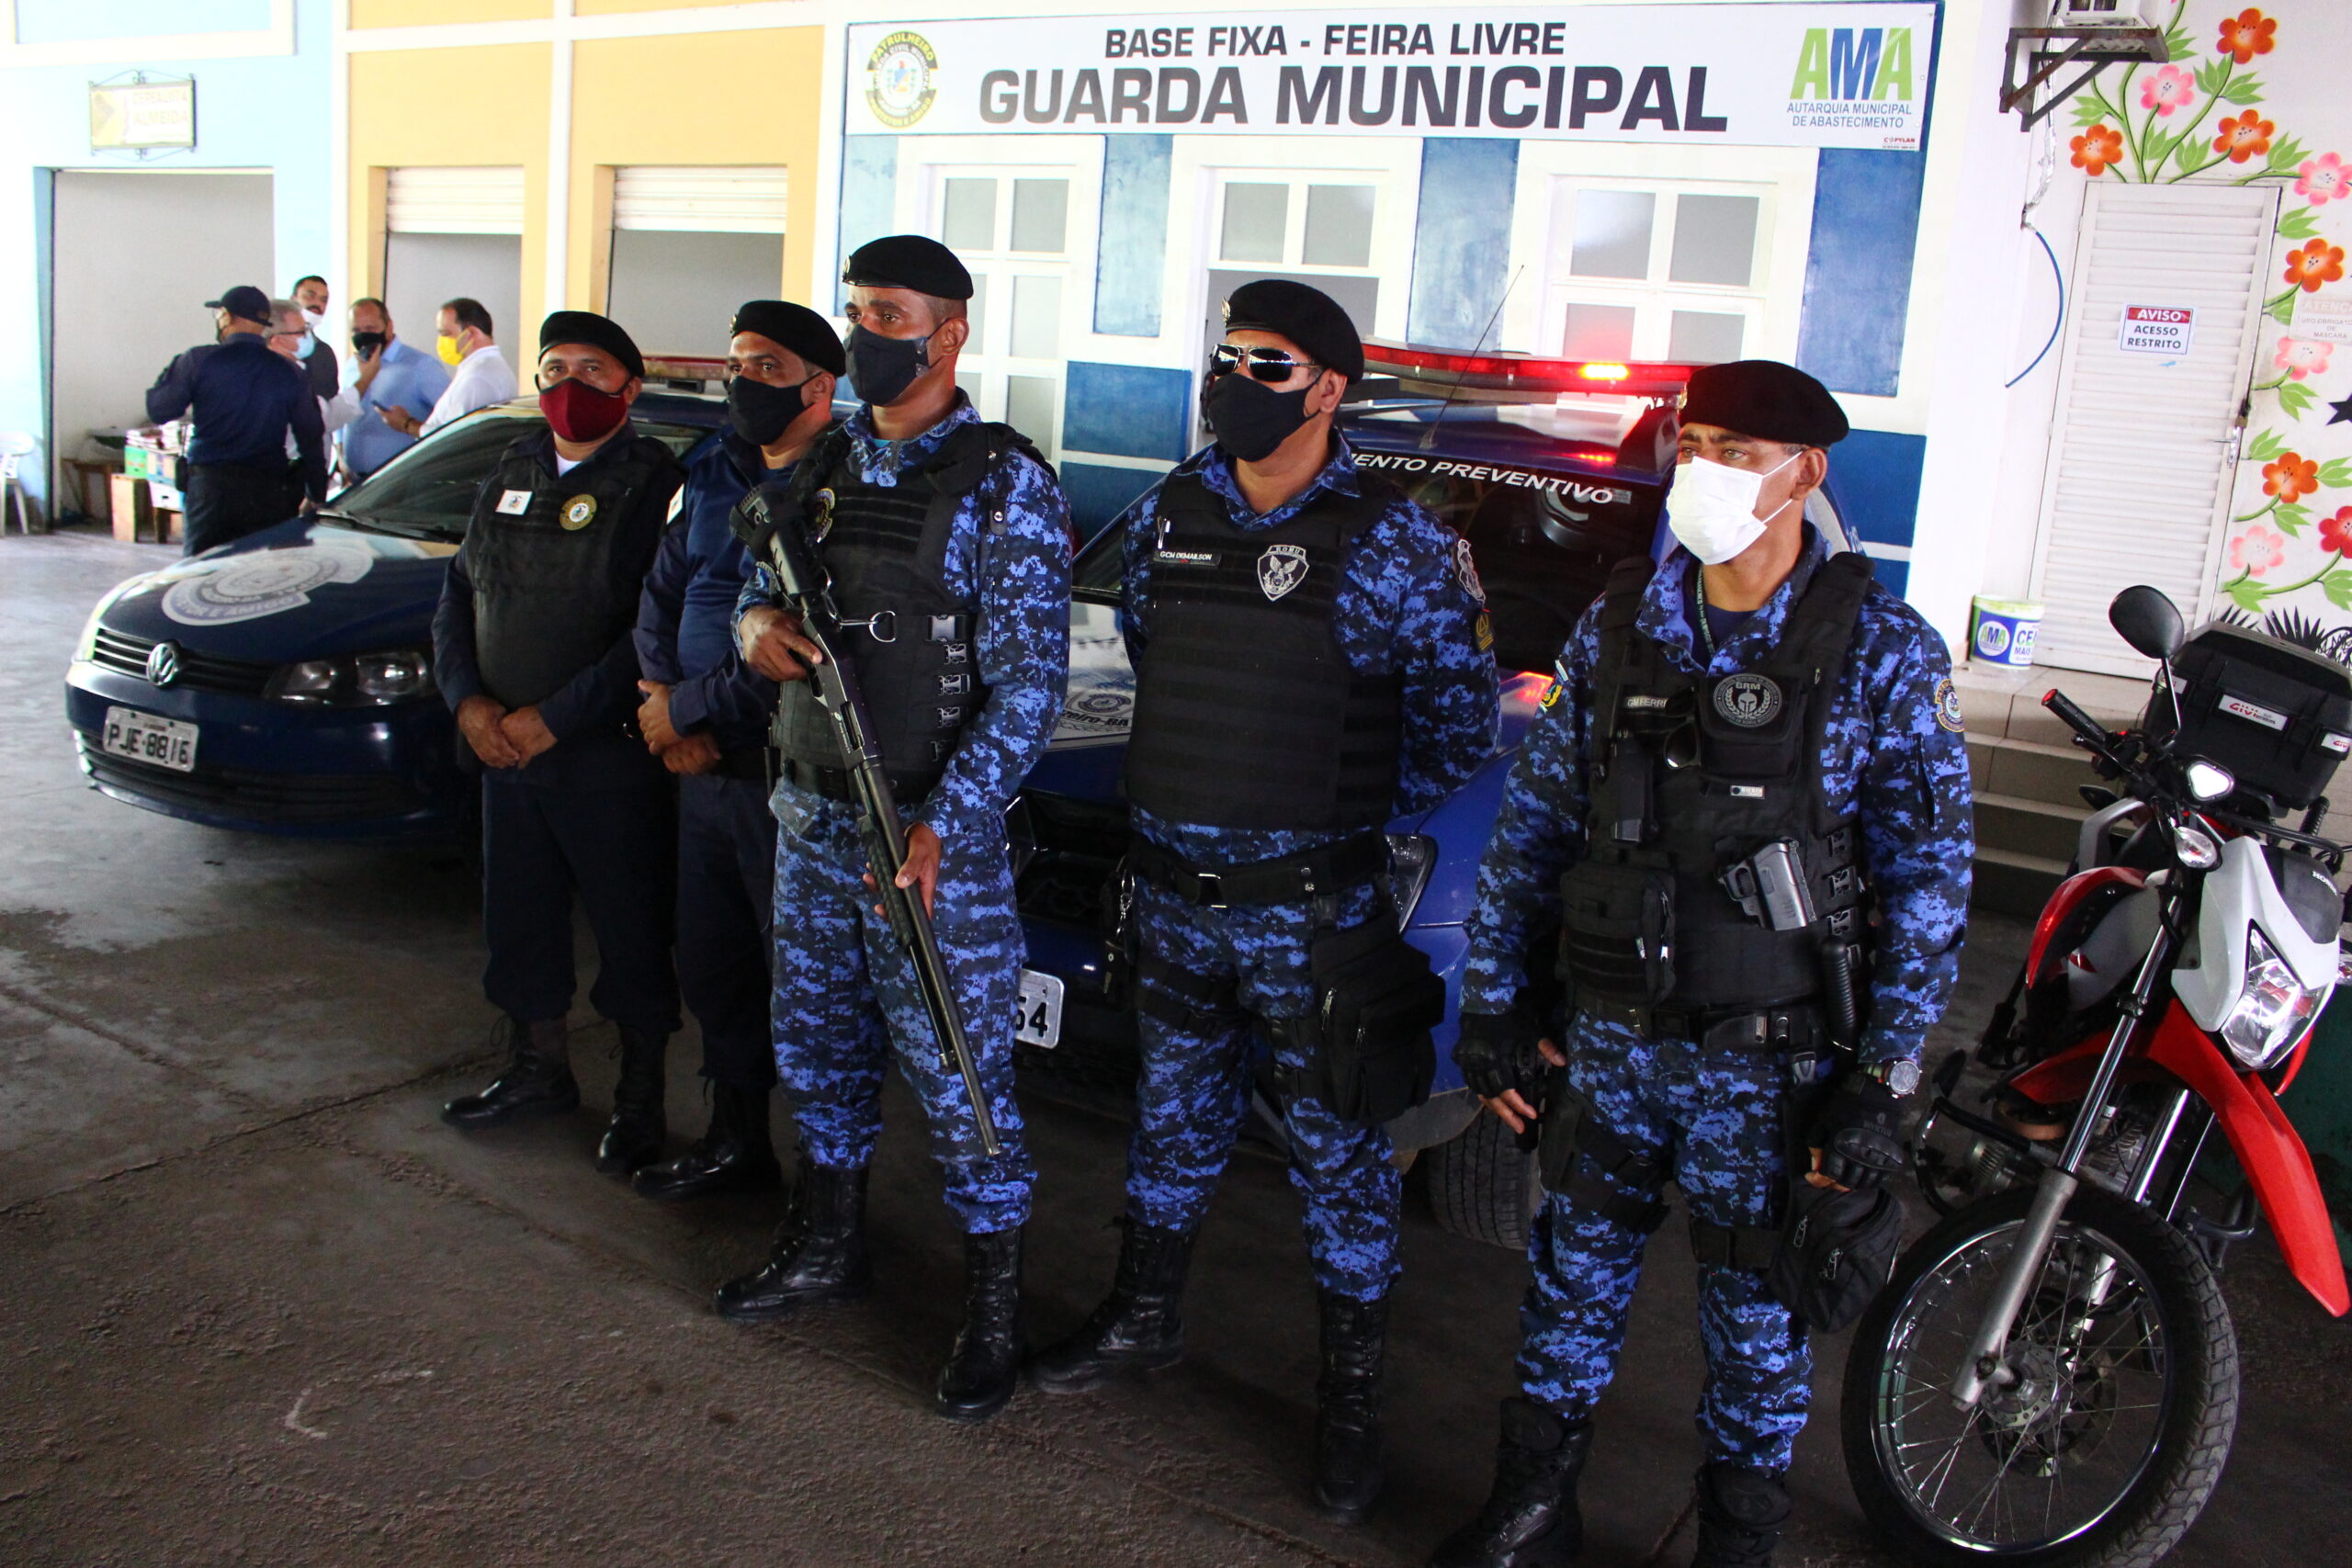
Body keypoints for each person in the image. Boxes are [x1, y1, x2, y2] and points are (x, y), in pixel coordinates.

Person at [1430, 360, 1972, 1568]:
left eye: (1736, 447)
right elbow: (1536, 828)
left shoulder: (1881, 647)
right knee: (1570, 1280)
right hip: (1614, 1036)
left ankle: (1739, 1536)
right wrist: (1499, 1003)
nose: (1706, 467)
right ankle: (1533, 1501)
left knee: (1756, 1317)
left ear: (1806, 472)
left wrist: (1880, 1082)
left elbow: (1931, 883)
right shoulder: (1624, 621)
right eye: (1696, 440)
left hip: (1774, 1058)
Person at [1026, 280, 1501, 1523]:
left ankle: (1349, 1405)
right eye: (1225, 356)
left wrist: (1318, 807)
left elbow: (1453, 727)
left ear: (1330, 389)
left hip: (1313, 915)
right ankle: (1142, 1316)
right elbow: (1150, 652)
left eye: (1268, 363)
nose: (1232, 379)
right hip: (1176, 896)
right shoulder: (1177, 510)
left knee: (1340, 1161)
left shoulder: (1393, 537)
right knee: (1171, 1120)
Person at [716, 235, 1071, 1426]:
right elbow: (748, 592)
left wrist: (944, 825)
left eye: (889, 312)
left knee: (961, 1077)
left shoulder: (1003, 482)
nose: (866, 329)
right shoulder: (820, 464)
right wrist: (753, 629)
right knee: (814, 1045)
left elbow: (1030, 686)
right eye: (856, 308)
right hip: (810, 815)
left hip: (929, 845)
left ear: (950, 333)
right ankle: (825, 1243)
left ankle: (994, 1306)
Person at [431, 310, 687, 1179]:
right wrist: (468, 702)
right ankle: (536, 1068)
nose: (569, 385)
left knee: (630, 928)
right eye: (554, 367)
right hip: (507, 753)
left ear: (629, 386)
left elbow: (652, 630)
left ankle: (641, 1101)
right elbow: (459, 592)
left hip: (604, 754)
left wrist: (555, 717)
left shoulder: (656, 482)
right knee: (520, 920)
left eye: (591, 367)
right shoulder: (509, 466)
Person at [628, 300, 843, 1202]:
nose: (741, 382)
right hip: (701, 776)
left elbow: (795, 651)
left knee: (800, 988)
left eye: (764, 368)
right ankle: (734, 1139)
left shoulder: (847, 483)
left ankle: (824, 1189)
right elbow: (663, 589)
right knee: (713, 965)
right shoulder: (713, 469)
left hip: (781, 783)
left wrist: (684, 711)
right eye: (736, 365)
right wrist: (655, 698)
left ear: (818, 385)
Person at [144, 284, 327, 555]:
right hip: (270, 491)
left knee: (202, 571)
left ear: (227, 317)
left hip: (211, 488)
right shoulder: (290, 372)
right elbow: (311, 436)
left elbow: (160, 410)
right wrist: (316, 495)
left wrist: (172, 371)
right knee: (259, 576)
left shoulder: (198, 360)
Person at [343, 298, 451, 481]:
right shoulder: (352, 365)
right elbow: (343, 412)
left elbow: (452, 422)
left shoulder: (421, 366)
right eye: (356, 330)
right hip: (355, 483)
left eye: (370, 329)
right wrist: (340, 454)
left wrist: (408, 424)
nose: (363, 336)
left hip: (401, 483)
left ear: (389, 327)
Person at [388, 298, 514, 441]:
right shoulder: (482, 369)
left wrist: (406, 424)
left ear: (471, 333)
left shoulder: (478, 378)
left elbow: (452, 437)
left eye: (445, 334)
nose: (441, 342)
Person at [289, 275, 340, 403]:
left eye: (324, 300)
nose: (317, 304)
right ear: (293, 299)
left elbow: (330, 403)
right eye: (310, 296)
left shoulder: (324, 353)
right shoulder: (271, 344)